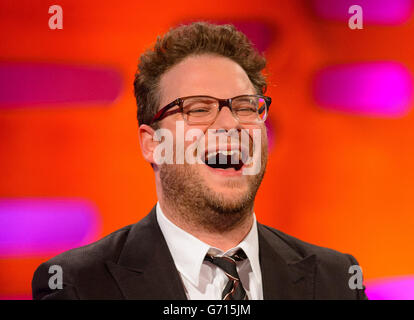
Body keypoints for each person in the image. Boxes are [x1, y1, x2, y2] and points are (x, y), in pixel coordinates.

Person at [32, 22, 367, 300]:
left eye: (246, 107)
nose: (230, 124)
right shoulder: (78, 286)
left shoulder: (336, 281)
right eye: (198, 109)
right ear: (153, 145)